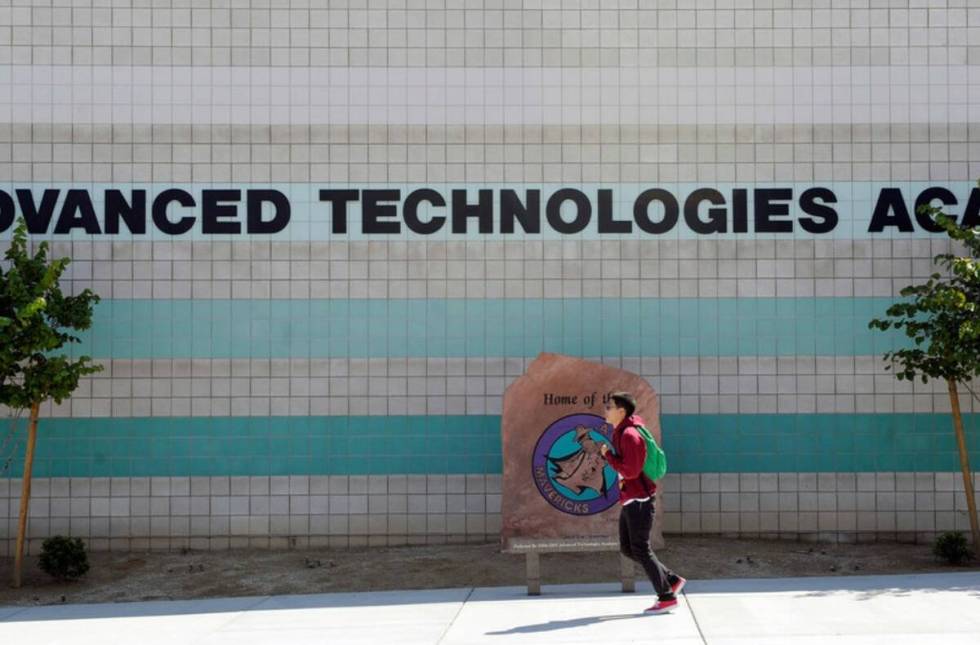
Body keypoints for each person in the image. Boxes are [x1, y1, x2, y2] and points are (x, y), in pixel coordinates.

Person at [599, 391, 686, 614]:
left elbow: (631, 470)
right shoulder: (621, 432)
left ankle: (666, 596)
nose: (605, 410)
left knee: (640, 548)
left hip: (640, 500)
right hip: (631, 499)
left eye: (609, 407)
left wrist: (608, 456)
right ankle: (671, 579)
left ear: (621, 411)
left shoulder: (629, 435)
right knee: (629, 548)